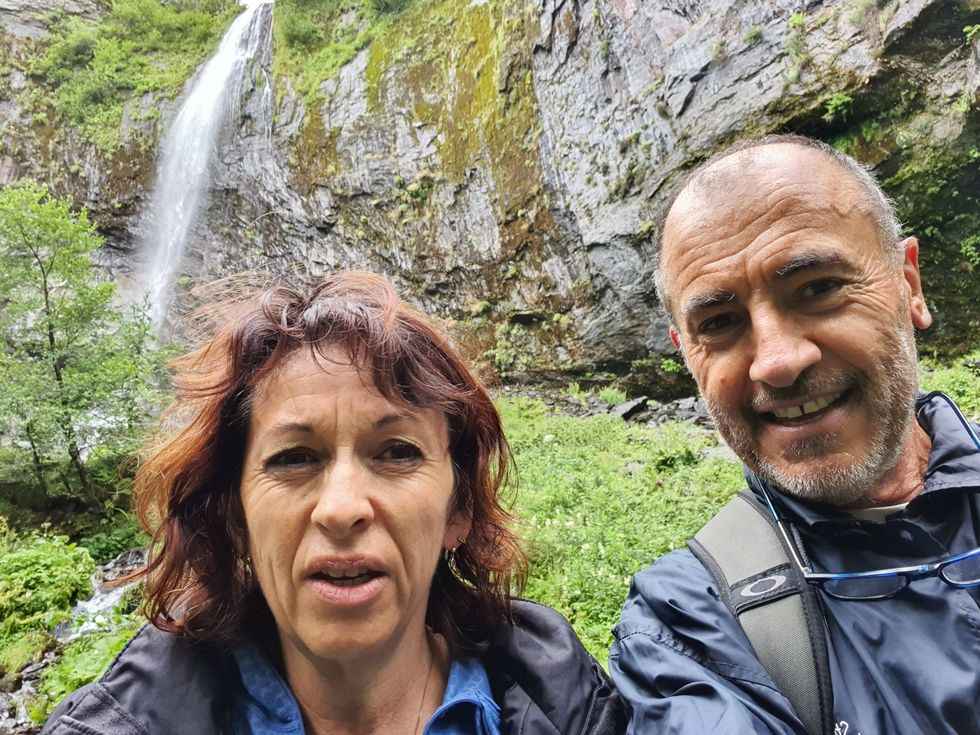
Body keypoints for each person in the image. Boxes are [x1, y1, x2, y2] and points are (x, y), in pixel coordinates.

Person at [42, 272, 627, 735]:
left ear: (459, 510)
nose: (342, 509)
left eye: (396, 452)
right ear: (235, 514)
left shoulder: (569, 708)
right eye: (294, 458)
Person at [610, 134, 980, 735]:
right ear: (687, 355)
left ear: (908, 285)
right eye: (719, 322)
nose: (778, 362)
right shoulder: (685, 629)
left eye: (817, 288)